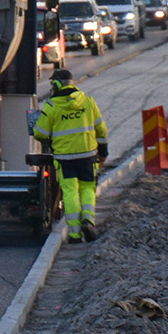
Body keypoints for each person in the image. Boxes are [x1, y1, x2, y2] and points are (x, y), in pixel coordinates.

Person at [31, 66, 109, 243]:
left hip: (65, 158)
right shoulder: (87, 101)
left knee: (70, 192)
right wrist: (103, 152)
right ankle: (88, 219)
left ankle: (74, 234)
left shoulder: (52, 106)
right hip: (88, 155)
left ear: (57, 85)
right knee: (88, 188)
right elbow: (101, 130)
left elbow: (40, 134)